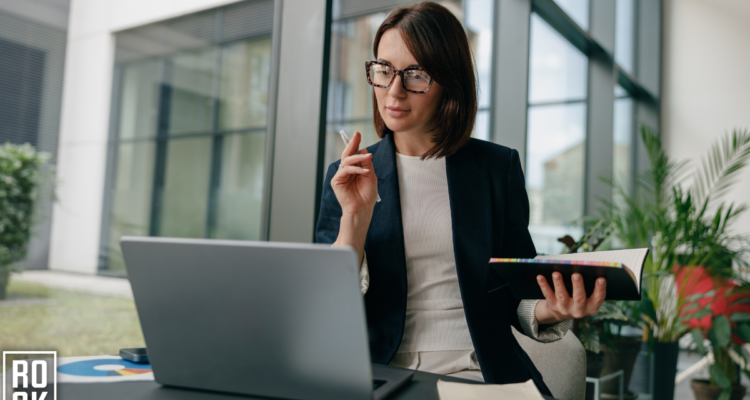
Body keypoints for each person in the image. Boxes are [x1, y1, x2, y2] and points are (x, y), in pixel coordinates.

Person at [315, 2, 606, 395]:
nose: (394, 91)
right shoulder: (347, 175)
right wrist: (355, 218)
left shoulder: (495, 168)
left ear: (450, 82)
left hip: (479, 374)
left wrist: (554, 308)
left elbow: (514, 294)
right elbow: (328, 311)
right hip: (381, 374)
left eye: (415, 74)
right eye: (383, 70)